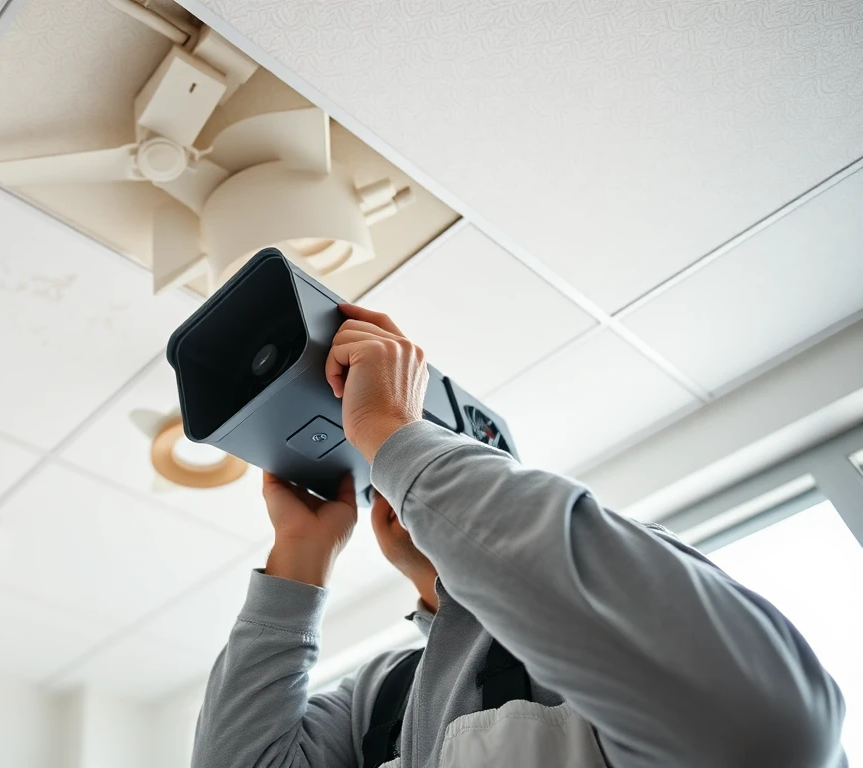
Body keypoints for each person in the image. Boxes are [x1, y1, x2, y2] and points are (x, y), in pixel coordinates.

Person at [191, 304, 847, 768]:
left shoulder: (629, 639)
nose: (392, 479)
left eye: (422, 456)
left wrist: (394, 433)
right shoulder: (386, 696)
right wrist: (299, 560)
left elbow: (769, 734)